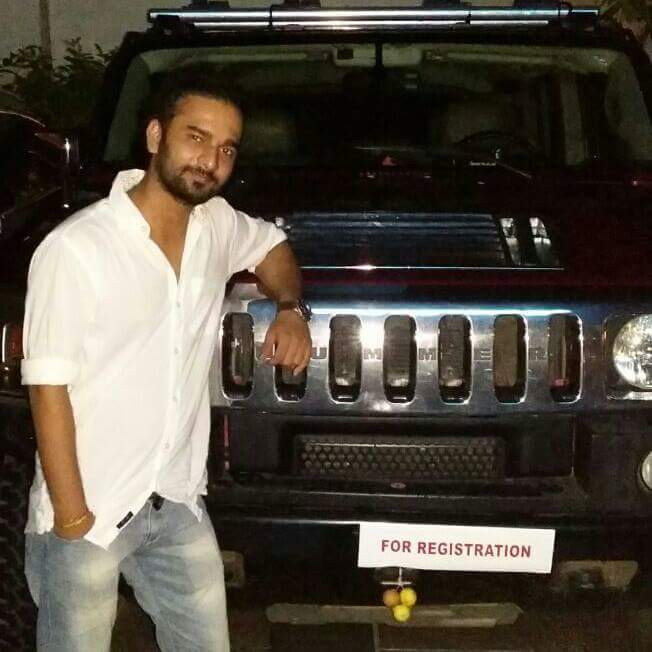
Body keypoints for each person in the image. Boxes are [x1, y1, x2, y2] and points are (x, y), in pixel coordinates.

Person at [21, 66, 312, 651]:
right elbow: (47, 388)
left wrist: (291, 308)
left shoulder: (216, 224)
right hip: (90, 511)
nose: (210, 161)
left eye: (226, 148)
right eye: (196, 137)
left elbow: (274, 246)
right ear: (155, 136)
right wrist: (74, 519)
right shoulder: (78, 248)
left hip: (175, 500)